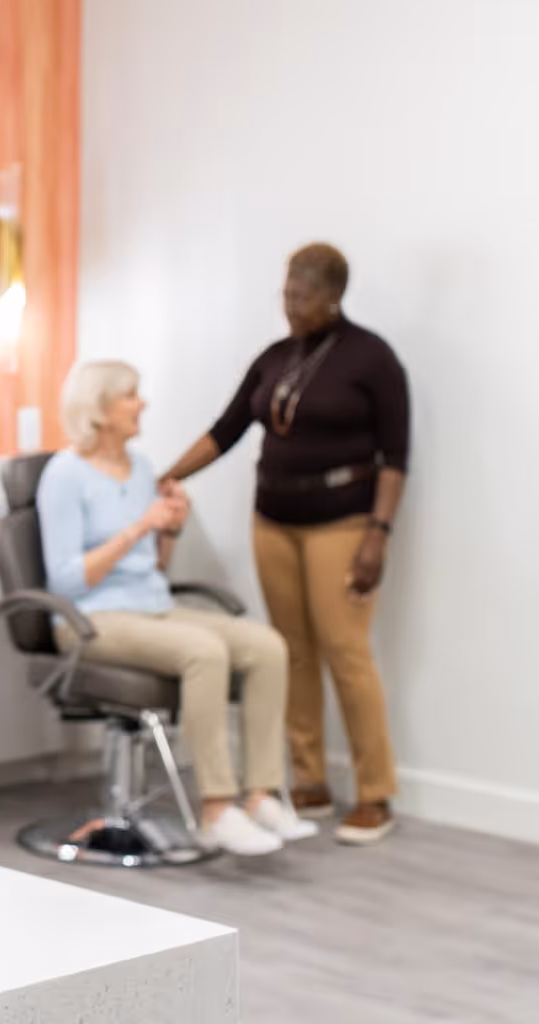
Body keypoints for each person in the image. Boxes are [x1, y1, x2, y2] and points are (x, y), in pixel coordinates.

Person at [161, 243, 408, 845]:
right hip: (273, 519)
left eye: (303, 297)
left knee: (345, 649)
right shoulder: (275, 358)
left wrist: (378, 534)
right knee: (290, 650)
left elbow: (396, 457)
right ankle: (309, 780)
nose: (292, 307)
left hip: (343, 522)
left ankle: (375, 793)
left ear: (333, 297)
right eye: (286, 294)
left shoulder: (371, 358)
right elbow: (226, 430)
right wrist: (165, 477)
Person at [35, 359, 317, 857]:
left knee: (266, 645)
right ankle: (215, 810)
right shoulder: (64, 475)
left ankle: (259, 796)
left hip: (150, 605)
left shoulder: (141, 467)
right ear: (98, 409)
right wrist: (139, 527)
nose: (141, 403)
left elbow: (153, 569)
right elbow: (65, 579)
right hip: (89, 617)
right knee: (203, 651)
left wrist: (169, 530)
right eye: (130, 395)